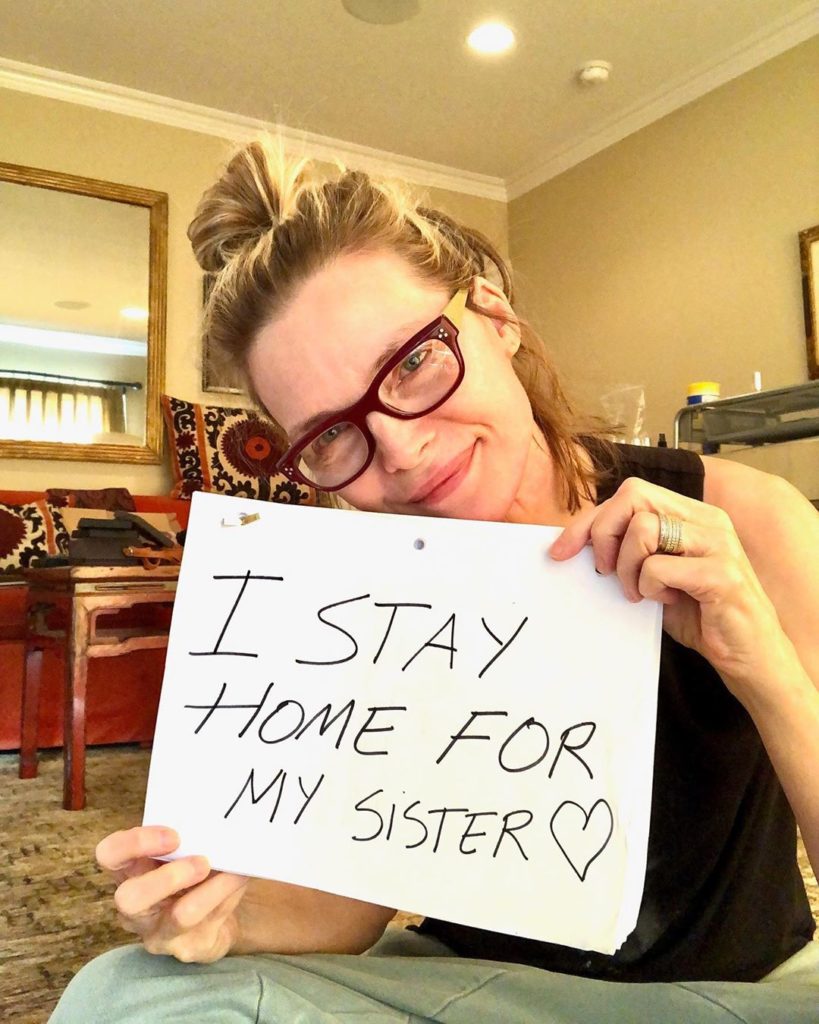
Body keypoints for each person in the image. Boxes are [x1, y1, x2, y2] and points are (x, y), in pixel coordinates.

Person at [49, 138, 819, 1023]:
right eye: (331, 435)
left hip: (735, 992)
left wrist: (760, 661)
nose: (403, 451)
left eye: (412, 361)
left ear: (494, 316)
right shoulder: (370, 594)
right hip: (482, 992)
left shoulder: (746, 521)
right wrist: (220, 918)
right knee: (123, 992)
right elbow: (351, 910)